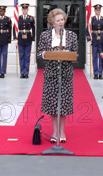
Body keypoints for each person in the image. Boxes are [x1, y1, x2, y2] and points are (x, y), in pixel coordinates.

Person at [37, 8, 79, 143]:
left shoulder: (71, 35)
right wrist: (48, 54)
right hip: (51, 74)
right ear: (52, 22)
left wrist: (66, 54)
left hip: (65, 74)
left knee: (63, 105)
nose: (61, 22)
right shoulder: (45, 36)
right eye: (58, 20)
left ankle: (62, 132)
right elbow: (39, 53)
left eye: (62, 20)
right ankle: (54, 132)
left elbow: (76, 54)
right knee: (53, 105)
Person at [0, 5, 12, 78]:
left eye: (3, 11)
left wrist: (9, 39)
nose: (1, 12)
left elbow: (10, 29)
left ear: (5, 11)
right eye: (0, 11)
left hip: (5, 38)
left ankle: (3, 72)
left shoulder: (8, 19)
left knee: (4, 56)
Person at [17, 3, 35, 78]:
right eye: (23, 9)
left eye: (26, 9)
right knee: (21, 56)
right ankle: (22, 72)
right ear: (21, 10)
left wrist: (33, 37)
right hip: (21, 37)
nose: (24, 10)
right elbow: (15, 27)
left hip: (28, 37)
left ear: (28, 10)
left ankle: (26, 72)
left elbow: (33, 28)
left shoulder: (31, 18)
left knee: (27, 56)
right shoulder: (19, 18)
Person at [89, 4, 103, 80]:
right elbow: (89, 29)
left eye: (99, 10)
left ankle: (100, 73)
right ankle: (95, 73)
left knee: (101, 57)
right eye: (97, 10)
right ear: (94, 11)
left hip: (101, 40)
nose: (98, 11)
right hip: (95, 40)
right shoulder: (92, 19)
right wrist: (89, 38)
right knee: (95, 57)